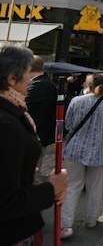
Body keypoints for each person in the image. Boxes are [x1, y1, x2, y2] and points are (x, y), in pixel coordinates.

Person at [0, 45, 68, 245]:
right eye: (29, 74)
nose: (31, 80)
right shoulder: (5, 123)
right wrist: (51, 188)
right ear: (12, 78)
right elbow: (5, 201)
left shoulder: (14, 112)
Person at [61, 74, 103, 239]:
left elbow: (69, 124)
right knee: (96, 186)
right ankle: (92, 220)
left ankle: (65, 226)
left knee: (72, 186)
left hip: (75, 149)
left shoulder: (76, 101)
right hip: (100, 151)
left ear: (88, 85)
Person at [25, 56, 57, 148]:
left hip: (36, 135)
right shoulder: (44, 82)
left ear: (28, 67)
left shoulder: (39, 85)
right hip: (39, 134)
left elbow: (22, 105)